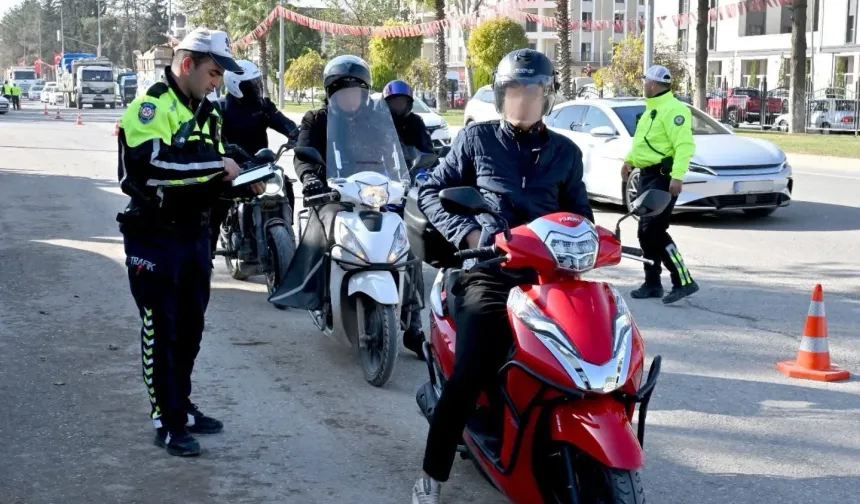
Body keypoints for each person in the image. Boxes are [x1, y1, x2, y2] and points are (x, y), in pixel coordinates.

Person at [411, 48, 594, 504]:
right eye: (515, 92)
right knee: (472, 368)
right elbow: (431, 189)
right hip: (491, 273)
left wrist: (597, 241)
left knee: (591, 356)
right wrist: (469, 233)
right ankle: (432, 474)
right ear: (500, 96)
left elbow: (581, 214)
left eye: (533, 92)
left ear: (547, 97)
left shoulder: (566, 153)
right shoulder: (477, 140)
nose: (524, 102)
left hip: (552, 277)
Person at [116, 27, 262, 457]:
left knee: (191, 330)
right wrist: (221, 165)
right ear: (186, 65)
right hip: (154, 239)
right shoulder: (149, 107)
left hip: (196, 237)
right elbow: (154, 166)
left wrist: (248, 176)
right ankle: (166, 420)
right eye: (214, 73)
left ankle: (181, 404)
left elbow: (210, 178)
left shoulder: (210, 114)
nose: (219, 83)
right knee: (160, 332)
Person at [270, 55, 428, 359]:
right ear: (331, 93)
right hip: (333, 195)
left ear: (365, 92)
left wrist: (409, 170)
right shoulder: (317, 120)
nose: (350, 96)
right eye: (342, 91)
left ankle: (413, 327)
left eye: (355, 90)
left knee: (407, 243)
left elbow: (395, 151)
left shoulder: (378, 118)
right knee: (324, 231)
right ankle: (320, 297)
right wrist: (310, 180)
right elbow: (304, 155)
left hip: (378, 194)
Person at [621, 64, 699, 305]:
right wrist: (629, 161)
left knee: (654, 230)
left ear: (652, 84)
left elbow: (684, 146)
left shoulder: (674, 110)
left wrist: (677, 176)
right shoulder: (650, 110)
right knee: (645, 232)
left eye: (645, 81)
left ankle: (683, 281)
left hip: (663, 177)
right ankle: (652, 283)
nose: (643, 85)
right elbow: (644, 144)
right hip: (646, 176)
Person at [209, 59, 300, 262]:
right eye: (251, 85)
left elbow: (281, 121)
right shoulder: (220, 109)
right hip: (234, 168)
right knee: (218, 202)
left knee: (285, 184)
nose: (256, 89)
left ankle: (287, 229)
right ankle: (209, 246)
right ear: (235, 86)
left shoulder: (263, 106)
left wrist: (295, 134)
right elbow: (213, 139)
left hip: (261, 164)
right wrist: (224, 152)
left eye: (257, 83)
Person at [382, 80, 434, 157]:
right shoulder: (378, 121)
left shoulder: (416, 122)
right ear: (386, 103)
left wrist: (428, 160)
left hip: (411, 167)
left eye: (401, 101)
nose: (398, 104)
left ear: (408, 104)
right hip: (381, 166)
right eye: (394, 101)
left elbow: (427, 151)